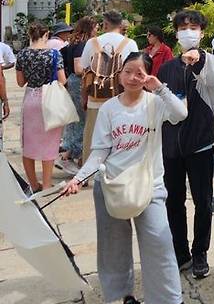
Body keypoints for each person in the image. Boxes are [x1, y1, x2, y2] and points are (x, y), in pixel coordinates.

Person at [62, 52, 206, 304]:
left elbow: (181, 114)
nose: (132, 78)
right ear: (119, 75)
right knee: (114, 246)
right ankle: (128, 299)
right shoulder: (109, 109)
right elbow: (100, 152)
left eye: (139, 73)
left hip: (148, 186)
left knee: (160, 241)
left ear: (148, 75)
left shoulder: (155, 103)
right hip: (112, 186)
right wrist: (79, 178)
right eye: (127, 72)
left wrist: (159, 87)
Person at [158, 10, 214, 280]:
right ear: (175, 32)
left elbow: (212, 81)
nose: (188, 31)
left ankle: (200, 252)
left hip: (200, 144)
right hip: (171, 145)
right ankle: (180, 251)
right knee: (173, 200)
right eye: (183, 27)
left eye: (194, 26)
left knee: (203, 201)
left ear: (202, 32)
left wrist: (200, 59)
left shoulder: (211, 61)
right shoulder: (166, 68)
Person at [79, 10, 138, 166]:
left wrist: (84, 98)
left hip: (96, 98)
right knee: (121, 136)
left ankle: (89, 172)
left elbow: (84, 70)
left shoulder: (92, 43)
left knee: (92, 136)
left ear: (105, 24)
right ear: (121, 25)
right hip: (121, 98)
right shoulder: (130, 44)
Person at [16, 22, 67, 191]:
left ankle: (33, 184)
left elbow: (20, 82)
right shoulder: (54, 54)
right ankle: (46, 185)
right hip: (50, 101)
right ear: (46, 35)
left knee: (28, 144)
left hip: (31, 99)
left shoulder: (22, 54)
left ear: (30, 35)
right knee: (49, 143)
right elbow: (62, 80)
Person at [58, 17, 97, 176]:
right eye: (95, 27)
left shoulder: (74, 42)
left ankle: (73, 154)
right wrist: (94, 68)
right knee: (82, 119)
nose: (97, 30)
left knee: (77, 119)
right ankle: (69, 155)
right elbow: (78, 68)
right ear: (88, 28)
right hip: (79, 83)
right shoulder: (82, 44)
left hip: (73, 82)